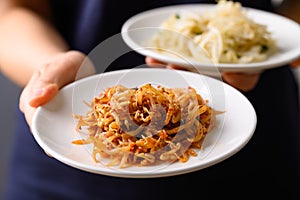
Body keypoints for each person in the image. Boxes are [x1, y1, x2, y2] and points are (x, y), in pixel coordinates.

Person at [0, 0, 299, 199]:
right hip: (61, 169)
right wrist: (50, 65)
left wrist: (280, 43)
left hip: (251, 150)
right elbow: (11, 11)